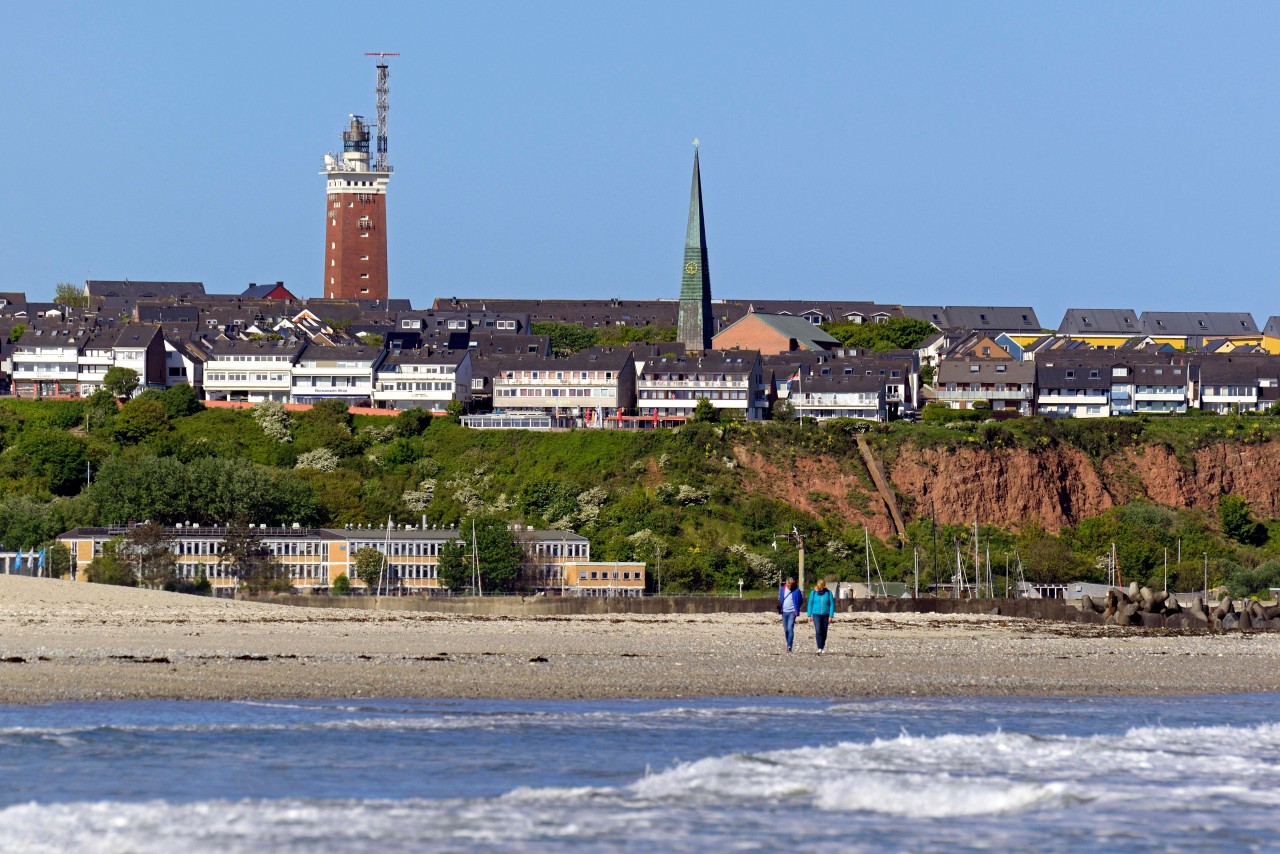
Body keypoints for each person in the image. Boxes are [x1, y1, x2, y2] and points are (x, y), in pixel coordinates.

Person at [807, 578, 835, 654]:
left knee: (824, 631)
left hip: (826, 614)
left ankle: (822, 646)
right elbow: (810, 603)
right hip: (816, 614)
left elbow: (832, 604)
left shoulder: (829, 593)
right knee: (818, 630)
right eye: (818, 587)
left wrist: (831, 615)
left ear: (823, 586)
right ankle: (819, 647)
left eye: (820, 587)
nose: (819, 588)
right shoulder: (813, 592)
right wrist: (809, 615)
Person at [778, 577, 802, 653]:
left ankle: (789, 646)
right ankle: (788, 643)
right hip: (784, 612)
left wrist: (796, 608)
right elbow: (781, 598)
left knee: (790, 628)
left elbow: (800, 600)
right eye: (788, 585)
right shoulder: (782, 589)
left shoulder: (796, 590)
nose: (789, 586)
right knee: (786, 630)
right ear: (786, 583)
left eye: (790, 585)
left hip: (792, 612)